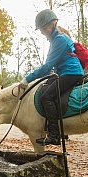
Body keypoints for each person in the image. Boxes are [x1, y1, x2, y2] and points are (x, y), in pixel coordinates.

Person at [21, 9, 84, 146]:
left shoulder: (60, 39)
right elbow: (54, 64)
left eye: (44, 28)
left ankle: (55, 135)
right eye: (41, 29)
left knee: (46, 97)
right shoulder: (56, 39)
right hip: (66, 72)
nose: (43, 32)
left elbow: (47, 66)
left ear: (54, 23)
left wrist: (28, 79)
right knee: (48, 88)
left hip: (71, 73)